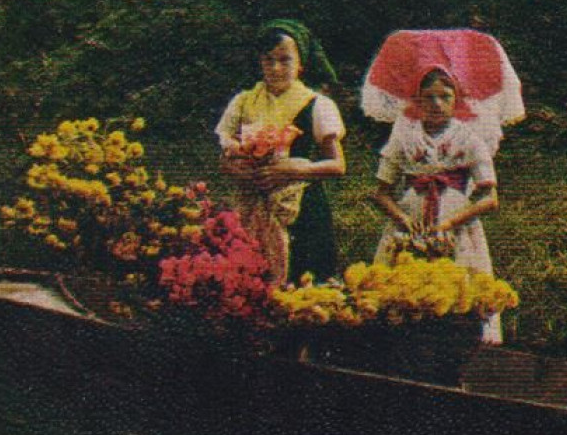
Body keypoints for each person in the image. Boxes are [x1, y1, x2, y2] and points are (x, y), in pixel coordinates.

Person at [369, 65, 504, 342]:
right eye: (428, 97)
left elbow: (489, 197)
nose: (436, 104)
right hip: (411, 224)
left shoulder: (468, 138)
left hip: (455, 224)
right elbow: (380, 192)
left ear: (456, 100)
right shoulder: (404, 138)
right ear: (417, 101)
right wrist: (402, 219)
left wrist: (452, 222)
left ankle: (457, 341)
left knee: (458, 287)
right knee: (404, 288)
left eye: (444, 96)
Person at [214, 20, 346, 285]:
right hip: (253, 203)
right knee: (251, 281)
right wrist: (241, 171)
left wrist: (297, 168)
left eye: (285, 60)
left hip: (301, 208)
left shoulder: (316, 105)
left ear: (300, 64)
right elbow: (224, 162)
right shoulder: (244, 102)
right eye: (268, 60)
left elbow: (337, 165)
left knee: (303, 285)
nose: (275, 68)